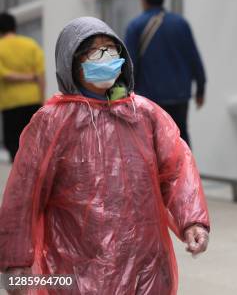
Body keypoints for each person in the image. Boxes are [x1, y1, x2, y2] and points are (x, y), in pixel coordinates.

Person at [0, 17, 210, 294]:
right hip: (77, 267)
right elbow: (24, 195)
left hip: (146, 263)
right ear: (72, 62)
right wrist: (17, 267)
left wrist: (193, 220)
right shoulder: (52, 122)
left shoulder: (144, 114)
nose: (105, 57)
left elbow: (177, 168)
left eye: (111, 49)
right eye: (94, 51)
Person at [125, 0, 206, 146]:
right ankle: (185, 171)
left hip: (149, 97)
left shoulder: (135, 26)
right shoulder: (181, 24)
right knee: (179, 138)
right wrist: (200, 89)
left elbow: (130, 65)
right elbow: (194, 57)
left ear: (144, 0)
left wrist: (127, 94)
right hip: (179, 96)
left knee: (151, 142)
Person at [0, 12, 45, 162]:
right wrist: (42, 99)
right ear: (15, 27)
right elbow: (40, 74)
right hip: (33, 101)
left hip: (10, 104)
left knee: (14, 145)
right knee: (34, 143)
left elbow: (4, 75)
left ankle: (20, 179)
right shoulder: (30, 44)